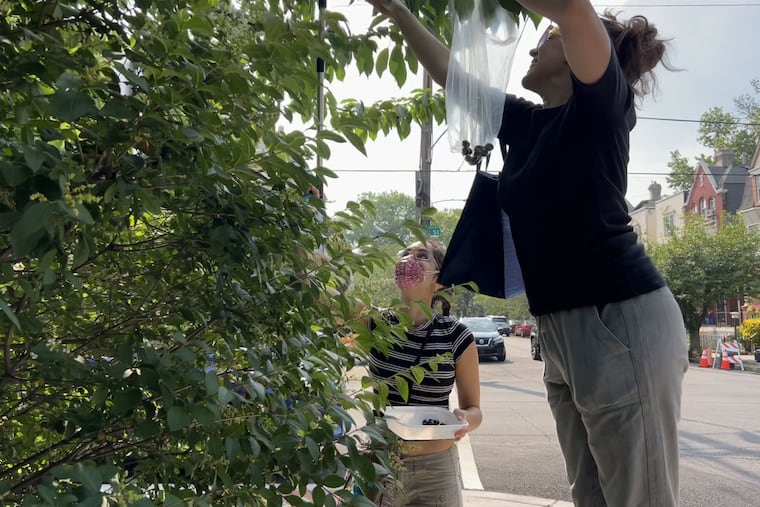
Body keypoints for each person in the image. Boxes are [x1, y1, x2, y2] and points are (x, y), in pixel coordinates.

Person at [367, 1, 689, 506]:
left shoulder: (602, 107)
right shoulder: (527, 124)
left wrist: (566, 20)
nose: (535, 45)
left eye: (549, 37)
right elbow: (457, 78)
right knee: (592, 497)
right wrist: (401, 12)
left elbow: (572, 8)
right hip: (559, 329)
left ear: (584, 53)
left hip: (618, 318)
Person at [366, 240, 481, 506]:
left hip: (437, 471)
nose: (409, 260)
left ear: (438, 281)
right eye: (405, 253)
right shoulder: (377, 324)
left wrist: (465, 420)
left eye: (421, 255)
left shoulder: (456, 335)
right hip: (382, 463)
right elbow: (326, 298)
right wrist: (310, 215)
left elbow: (474, 409)